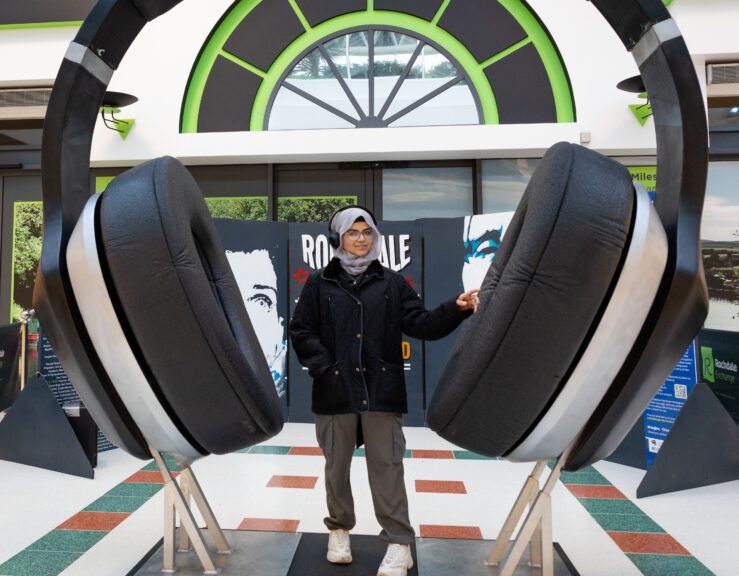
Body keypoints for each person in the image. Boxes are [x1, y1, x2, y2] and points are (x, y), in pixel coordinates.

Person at [289, 206, 479, 576]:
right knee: (336, 467)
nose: (361, 239)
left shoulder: (392, 283)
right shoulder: (319, 283)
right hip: (335, 392)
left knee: (387, 468)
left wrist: (454, 310)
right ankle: (339, 529)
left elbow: (421, 324)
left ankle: (398, 543)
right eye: (352, 232)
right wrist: (326, 368)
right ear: (339, 237)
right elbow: (301, 331)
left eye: (367, 232)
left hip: (381, 391)